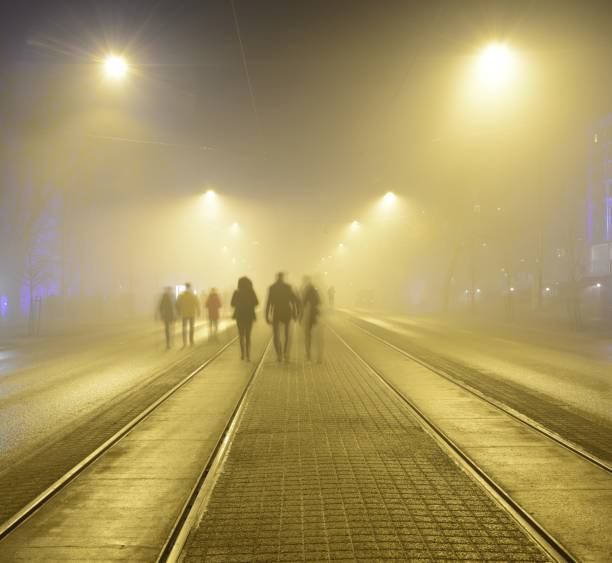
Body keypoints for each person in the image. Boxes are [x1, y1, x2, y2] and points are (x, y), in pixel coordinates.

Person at [265, 272, 300, 362]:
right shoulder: (287, 287)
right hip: (287, 312)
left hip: (276, 312)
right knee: (287, 335)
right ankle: (285, 353)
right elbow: (295, 300)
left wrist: (267, 316)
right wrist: (296, 313)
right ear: (283, 278)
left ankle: (279, 354)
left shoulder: (272, 288)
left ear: (277, 278)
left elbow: (268, 303)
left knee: (276, 335)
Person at [231, 276, 258, 361]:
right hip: (249, 316)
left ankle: (242, 354)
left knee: (241, 335)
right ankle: (248, 354)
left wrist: (238, 304)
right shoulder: (251, 292)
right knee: (248, 335)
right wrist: (249, 304)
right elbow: (256, 302)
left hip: (239, 316)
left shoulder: (236, 292)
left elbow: (232, 303)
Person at [301, 277, 321, 361]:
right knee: (314, 335)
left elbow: (303, 303)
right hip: (315, 315)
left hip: (308, 315)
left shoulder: (307, 290)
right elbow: (319, 301)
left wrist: (300, 316)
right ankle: (317, 356)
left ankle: (308, 354)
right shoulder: (315, 290)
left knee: (307, 335)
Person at [176, 282, 200, 347]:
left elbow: (177, 304)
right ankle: (191, 341)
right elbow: (197, 304)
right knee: (191, 328)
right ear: (190, 287)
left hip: (184, 314)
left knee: (184, 328)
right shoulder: (193, 295)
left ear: (185, 287)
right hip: (191, 313)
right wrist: (198, 312)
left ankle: (184, 342)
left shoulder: (181, 295)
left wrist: (178, 313)